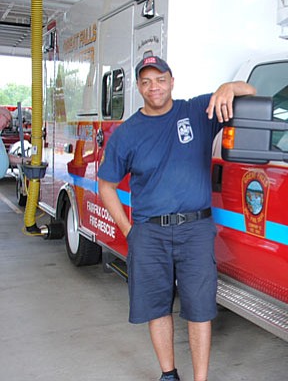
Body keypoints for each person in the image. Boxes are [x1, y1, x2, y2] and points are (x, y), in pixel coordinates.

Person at [98, 55, 256, 381]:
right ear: (139, 87)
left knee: (200, 310)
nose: (154, 87)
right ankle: (169, 374)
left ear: (172, 81)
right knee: (157, 308)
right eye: (146, 81)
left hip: (195, 229)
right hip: (149, 232)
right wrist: (130, 231)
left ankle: (200, 379)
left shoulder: (198, 111)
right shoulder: (127, 133)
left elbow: (251, 92)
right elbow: (106, 185)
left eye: (160, 79)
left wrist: (228, 87)